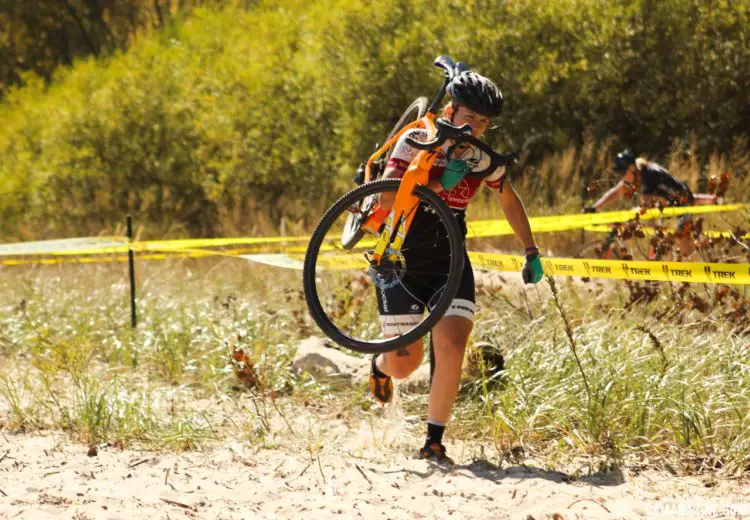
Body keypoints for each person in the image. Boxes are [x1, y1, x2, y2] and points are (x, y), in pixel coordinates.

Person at [367, 69, 544, 464]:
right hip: (401, 258)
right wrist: (440, 183)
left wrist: (531, 250)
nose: (476, 127)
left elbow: (508, 198)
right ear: (451, 108)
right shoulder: (417, 140)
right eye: (470, 117)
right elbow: (385, 205)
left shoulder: (479, 156)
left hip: (449, 258)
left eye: (484, 122)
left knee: (452, 345)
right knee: (404, 363)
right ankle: (379, 361)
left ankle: (434, 441)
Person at [584, 150, 718, 258]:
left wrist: (623, 218)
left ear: (631, 168)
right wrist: (596, 207)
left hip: (680, 206)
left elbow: (644, 206)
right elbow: (616, 192)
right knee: (657, 241)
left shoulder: (648, 175)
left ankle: (702, 274)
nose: (621, 178)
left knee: (684, 246)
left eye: (622, 173)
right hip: (667, 206)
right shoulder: (637, 173)